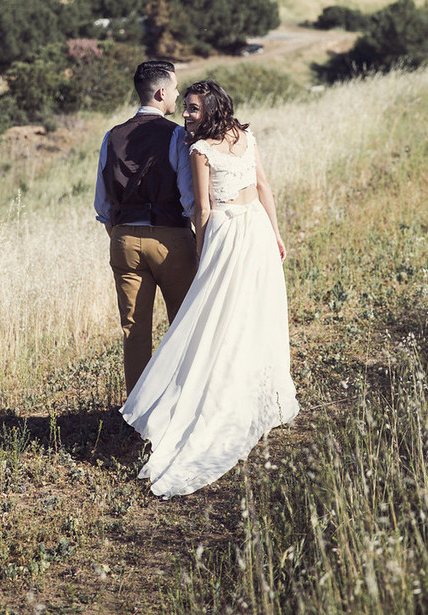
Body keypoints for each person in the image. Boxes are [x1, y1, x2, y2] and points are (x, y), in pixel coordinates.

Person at [120, 80, 299, 498]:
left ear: (213, 108)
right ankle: (245, 392)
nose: (186, 114)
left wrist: (203, 252)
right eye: (186, 107)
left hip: (235, 234)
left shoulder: (199, 150)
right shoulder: (244, 137)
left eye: (194, 109)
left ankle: (232, 396)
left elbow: (202, 210)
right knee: (242, 314)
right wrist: (273, 232)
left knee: (227, 317)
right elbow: (261, 189)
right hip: (252, 227)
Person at [94, 61, 198, 395]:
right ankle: (183, 399)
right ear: (161, 92)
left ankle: (137, 413)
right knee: (183, 323)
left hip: (123, 239)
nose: (179, 94)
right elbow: (188, 197)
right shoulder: (177, 134)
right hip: (171, 240)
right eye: (176, 88)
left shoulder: (112, 136)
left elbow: (103, 204)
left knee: (134, 330)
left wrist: (122, 234)